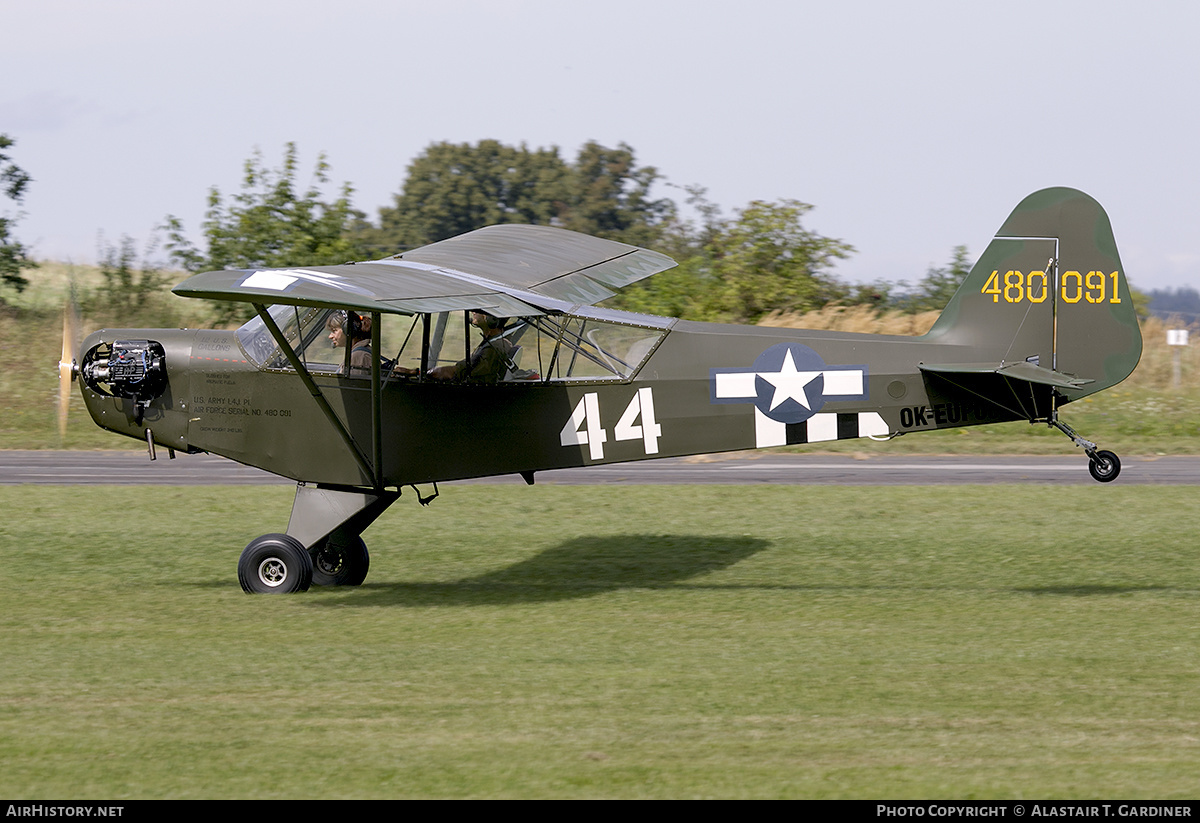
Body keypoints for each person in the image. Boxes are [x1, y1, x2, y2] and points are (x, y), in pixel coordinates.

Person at [428, 311, 515, 383]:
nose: (473, 312)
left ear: (492, 319)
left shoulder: (492, 348)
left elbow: (456, 372)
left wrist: (424, 372)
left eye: (478, 311)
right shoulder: (499, 343)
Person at [326, 310, 372, 376]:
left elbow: (351, 385)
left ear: (348, 330)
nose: (330, 336)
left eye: (334, 331)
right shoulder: (357, 354)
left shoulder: (358, 356)